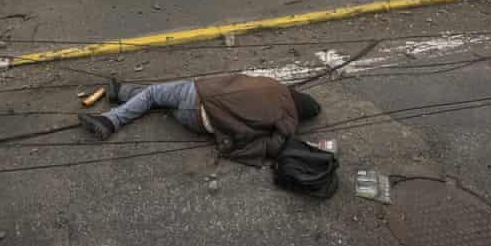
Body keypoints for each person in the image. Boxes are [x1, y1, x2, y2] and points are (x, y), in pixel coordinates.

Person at [78, 75, 321, 166]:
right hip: (204, 123)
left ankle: (109, 121)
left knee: (155, 95)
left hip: (198, 96)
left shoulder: (274, 85)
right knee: (158, 99)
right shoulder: (288, 122)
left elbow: (236, 82)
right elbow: (273, 147)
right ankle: (119, 92)